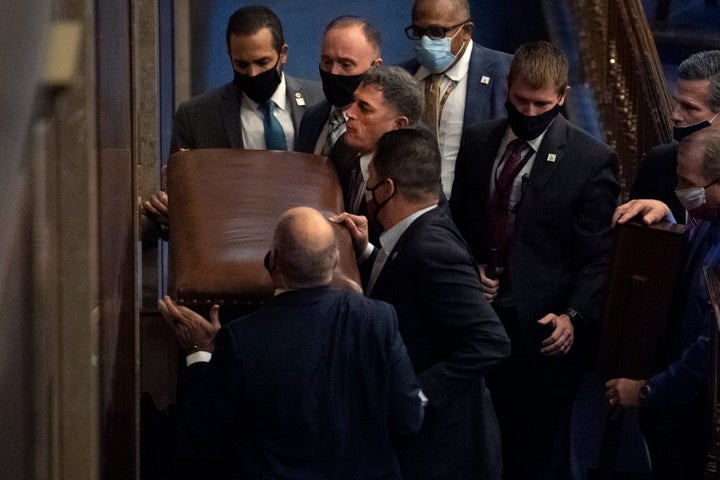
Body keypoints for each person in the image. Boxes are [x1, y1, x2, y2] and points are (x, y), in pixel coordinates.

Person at [449, 41, 619, 480]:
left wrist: (573, 316)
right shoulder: (478, 139)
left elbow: (599, 256)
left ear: (562, 97)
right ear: (508, 87)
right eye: (520, 100)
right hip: (481, 320)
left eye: (541, 103)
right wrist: (472, 268)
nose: (528, 111)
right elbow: (461, 220)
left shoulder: (591, 160)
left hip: (544, 334)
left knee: (534, 453)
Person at [159, 206, 424, 479]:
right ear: (334, 262)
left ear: (273, 260)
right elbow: (409, 420)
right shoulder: (379, 321)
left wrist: (200, 353)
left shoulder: (241, 340)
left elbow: (201, 433)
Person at [334, 128, 511, 479]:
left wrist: (415, 394)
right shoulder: (424, 229)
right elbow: (408, 287)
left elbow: (491, 342)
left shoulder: (432, 250)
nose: (367, 191)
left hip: (443, 451)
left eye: (371, 181)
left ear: (387, 188)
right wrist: (365, 252)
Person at [142, 5, 323, 228]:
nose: (253, 74)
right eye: (242, 64)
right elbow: (181, 201)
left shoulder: (320, 102)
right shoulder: (197, 116)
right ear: (230, 57)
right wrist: (170, 212)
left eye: (263, 62)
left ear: (283, 54)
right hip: (232, 240)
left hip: (307, 238)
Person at [607, 125, 720, 480]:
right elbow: (692, 263)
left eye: (689, 184)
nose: (680, 191)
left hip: (699, 413)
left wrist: (645, 391)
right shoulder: (708, 217)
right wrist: (668, 218)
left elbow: (709, 348)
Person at [400, 0, 512, 198]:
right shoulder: (401, 77)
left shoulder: (505, 73)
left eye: (436, 32)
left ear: (467, 31)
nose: (426, 41)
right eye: (418, 32)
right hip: (411, 212)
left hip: (474, 213)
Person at [331, 66, 424, 242]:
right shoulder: (343, 148)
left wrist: (366, 252)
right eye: (354, 101)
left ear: (398, 126)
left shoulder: (413, 190)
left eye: (364, 108)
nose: (349, 113)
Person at [631, 50, 720, 224]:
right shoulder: (659, 162)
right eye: (677, 103)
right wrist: (668, 222)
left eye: (689, 107)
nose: (675, 115)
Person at [296, 16, 382, 155]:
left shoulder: (390, 130)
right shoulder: (311, 118)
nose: (333, 72)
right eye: (327, 62)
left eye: (346, 64)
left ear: (375, 67)